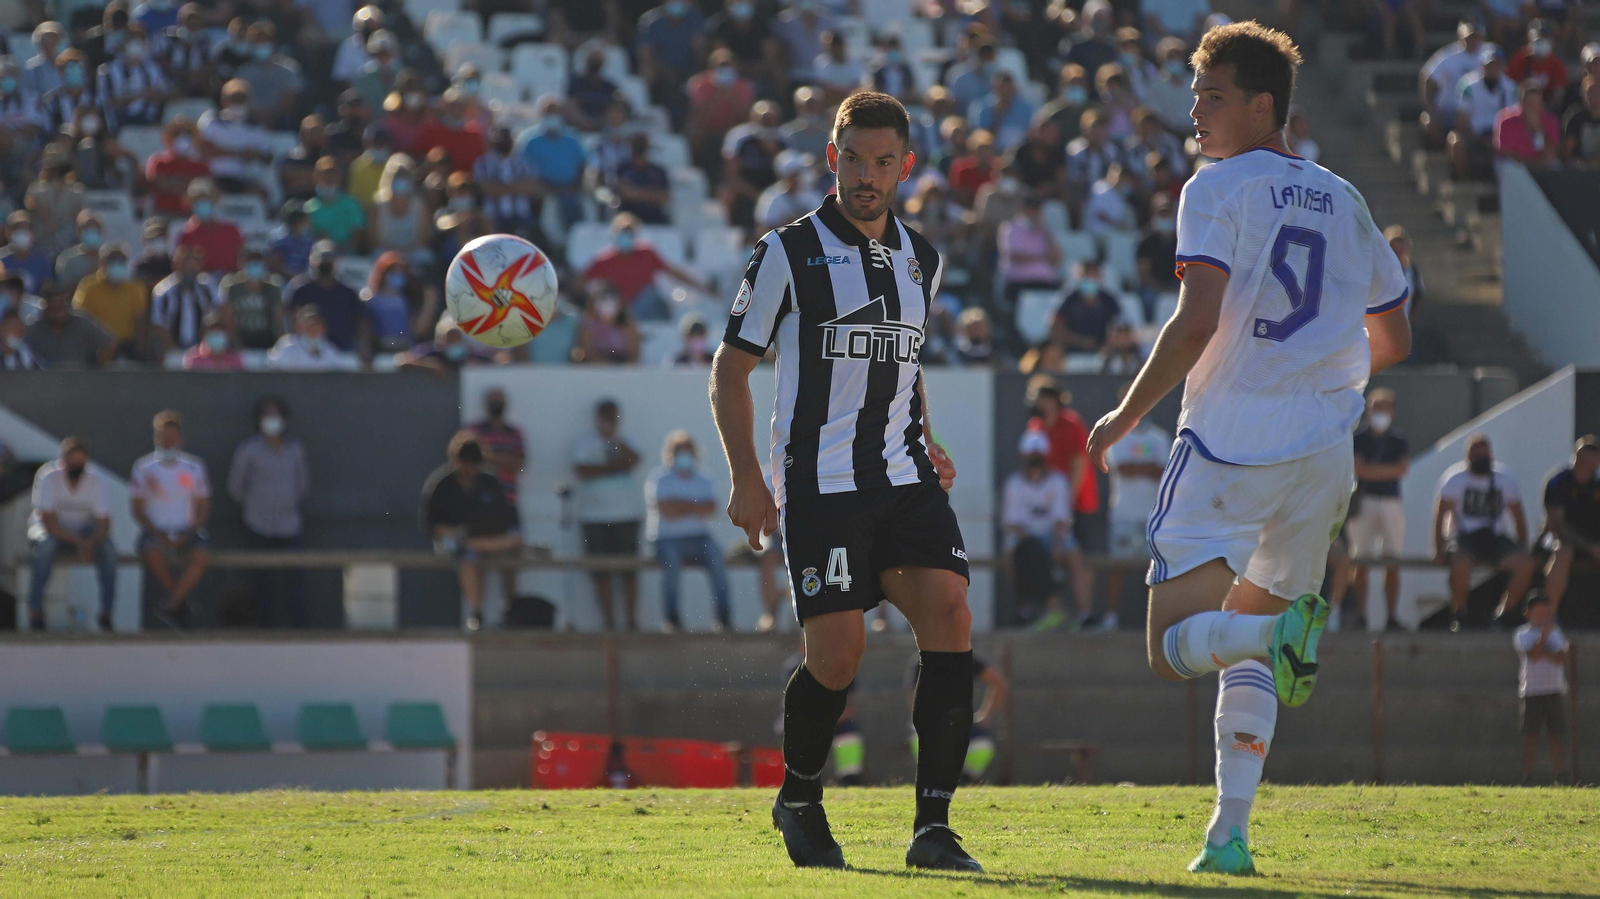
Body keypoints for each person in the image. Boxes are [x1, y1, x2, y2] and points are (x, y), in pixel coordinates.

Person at [1084, 23, 1413, 876]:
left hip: (1231, 443)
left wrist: (1124, 414)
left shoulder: (1217, 186)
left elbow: (1198, 321)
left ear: (1262, 106)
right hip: (1322, 454)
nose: (1195, 110)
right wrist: (1315, 362)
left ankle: (1271, 644)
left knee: (1174, 646)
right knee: (1248, 632)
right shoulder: (1344, 195)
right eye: (1195, 93)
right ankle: (1228, 835)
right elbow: (1398, 335)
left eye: (1213, 95)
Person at [710, 92, 981, 872]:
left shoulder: (922, 257)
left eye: (883, 161)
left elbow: (906, 361)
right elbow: (730, 371)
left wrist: (926, 433)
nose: (868, 174)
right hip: (821, 484)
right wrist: (746, 479)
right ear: (833, 157)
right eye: (854, 158)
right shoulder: (786, 252)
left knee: (953, 615)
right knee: (838, 653)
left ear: (906, 165)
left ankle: (933, 827)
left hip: (904, 475)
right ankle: (798, 796)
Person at [1434, 436, 1536, 630]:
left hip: (1494, 537)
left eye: (1484, 454)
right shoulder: (1454, 479)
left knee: (1526, 564)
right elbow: (1440, 517)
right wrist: (1438, 549)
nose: (1481, 457)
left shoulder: (1505, 478)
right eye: (1476, 454)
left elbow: (1518, 517)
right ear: (1468, 456)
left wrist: (1522, 547)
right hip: (1463, 536)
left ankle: (1504, 612)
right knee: (1461, 563)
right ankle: (1460, 612)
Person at [422, 434, 522, 631]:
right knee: (468, 559)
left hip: (486, 539)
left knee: (513, 545)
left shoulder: (489, 482)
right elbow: (432, 525)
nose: (469, 469)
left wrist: (475, 536)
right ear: (455, 460)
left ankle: (512, 611)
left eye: (474, 464)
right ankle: (476, 614)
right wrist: (460, 533)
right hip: (455, 541)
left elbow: (506, 518)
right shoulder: (442, 484)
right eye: (465, 464)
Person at [227, 397, 311, 627]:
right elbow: (235, 488)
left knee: (296, 584)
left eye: (276, 415)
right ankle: (264, 633)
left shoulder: (295, 450)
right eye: (267, 415)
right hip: (258, 524)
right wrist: (256, 504)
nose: (271, 420)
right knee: (261, 586)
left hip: (289, 525)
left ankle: (299, 633)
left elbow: (302, 485)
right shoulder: (248, 450)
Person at [131, 410, 212, 628]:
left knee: (202, 556)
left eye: (172, 436)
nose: (167, 442)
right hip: (156, 533)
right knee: (152, 553)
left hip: (187, 531)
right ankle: (178, 602)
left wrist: (190, 531)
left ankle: (170, 605)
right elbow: (137, 509)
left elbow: (203, 505)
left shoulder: (194, 467)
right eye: (163, 436)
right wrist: (159, 534)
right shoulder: (143, 467)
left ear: (180, 438)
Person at [27, 437, 117, 632]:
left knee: (109, 551)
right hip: (51, 532)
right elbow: (49, 523)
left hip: (84, 534)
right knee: (45, 547)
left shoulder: (96, 480)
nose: (76, 465)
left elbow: (103, 524)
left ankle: (107, 613)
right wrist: (81, 543)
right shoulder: (48, 476)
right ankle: (35, 610)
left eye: (80, 461)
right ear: (62, 460)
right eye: (71, 460)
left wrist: (90, 542)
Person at [646, 431, 733, 632]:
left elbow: (711, 509)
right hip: (667, 540)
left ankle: (724, 618)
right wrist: (695, 505)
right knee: (672, 568)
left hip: (700, 538)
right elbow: (667, 511)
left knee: (718, 562)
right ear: (671, 455)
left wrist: (680, 504)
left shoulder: (706, 478)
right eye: (680, 453)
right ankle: (672, 620)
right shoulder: (659, 478)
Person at [571, 399, 645, 631]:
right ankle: (609, 622)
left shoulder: (627, 440)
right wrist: (615, 467)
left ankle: (631, 621)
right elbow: (583, 471)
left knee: (629, 571)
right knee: (601, 571)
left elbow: (634, 461)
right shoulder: (584, 442)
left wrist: (614, 439)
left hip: (626, 515)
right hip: (594, 517)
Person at [1002, 430, 1087, 629]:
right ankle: (1025, 609)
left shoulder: (1058, 481)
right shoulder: (1014, 484)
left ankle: (1085, 614)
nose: (1035, 462)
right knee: (1013, 555)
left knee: (1075, 556)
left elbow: (1060, 520)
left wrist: (1056, 546)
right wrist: (1034, 545)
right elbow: (1011, 523)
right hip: (1025, 537)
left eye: (1038, 457)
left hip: (1053, 535)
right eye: (1031, 457)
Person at [1103, 381, 1170, 628]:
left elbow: (1163, 472)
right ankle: (1110, 618)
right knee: (1117, 567)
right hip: (1124, 516)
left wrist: (1142, 467)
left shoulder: (1160, 437)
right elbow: (1123, 468)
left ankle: (1151, 623)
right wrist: (1148, 467)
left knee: (1152, 572)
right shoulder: (1116, 436)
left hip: (1155, 517)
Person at [1348, 389, 1409, 631]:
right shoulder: (1358, 438)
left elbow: (1402, 469)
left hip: (1391, 503)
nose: (1379, 413)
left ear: (1392, 411)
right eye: (1375, 407)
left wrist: (1374, 470)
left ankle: (1391, 616)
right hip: (1364, 502)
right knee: (1360, 560)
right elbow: (1360, 470)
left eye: (1384, 408)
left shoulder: (1399, 439)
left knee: (1392, 560)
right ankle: (1361, 615)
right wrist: (1386, 469)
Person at [904, 653, 1010, 783]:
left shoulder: (967, 659)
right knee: (918, 735)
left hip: (963, 724)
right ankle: (932, 780)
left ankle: (966, 782)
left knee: (984, 744)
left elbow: (998, 684)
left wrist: (985, 716)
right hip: (933, 725)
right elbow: (915, 697)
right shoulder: (922, 660)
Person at [582, 214, 706, 321]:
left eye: (629, 233)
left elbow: (673, 272)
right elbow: (581, 281)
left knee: (651, 294)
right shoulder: (605, 259)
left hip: (648, 308)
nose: (625, 237)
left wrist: (702, 287)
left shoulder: (647, 253)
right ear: (615, 235)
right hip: (621, 312)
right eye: (622, 233)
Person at [1514, 591, 1570, 784]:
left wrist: (1544, 649)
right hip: (1531, 691)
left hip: (1554, 690)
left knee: (1556, 734)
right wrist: (1545, 640)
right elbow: (1534, 654)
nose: (1543, 618)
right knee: (1530, 735)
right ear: (1528, 613)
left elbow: (1562, 657)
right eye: (1538, 613)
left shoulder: (1557, 632)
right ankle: (1529, 776)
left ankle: (1560, 776)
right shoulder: (1522, 634)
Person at [1540, 436, 1600, 612]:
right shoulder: (1559, 482)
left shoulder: (1597, 484)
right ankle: (1550, 614)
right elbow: (1557, 525)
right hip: (1559, 540)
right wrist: (1590, 547)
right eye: (1586, 459)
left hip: (1593, 541)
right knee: (1563, 552)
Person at [1449, 45, 1518, 180]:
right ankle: (1464, 181)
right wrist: (1481, 140)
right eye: (1490, 65)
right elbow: (1462, 121)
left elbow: (1514, 120)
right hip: (1475, 134)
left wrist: (1498, 140)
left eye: (1497, 65)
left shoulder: (1511, 88)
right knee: (1455, 142)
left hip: (1501, 137)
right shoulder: (1468, 85)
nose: (1493, 69)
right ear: (1482, 66)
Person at [73, 244, 149, 360]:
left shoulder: (136, 288)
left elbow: (140, 319)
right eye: (113, 260)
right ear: (102, 263)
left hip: (127, 345)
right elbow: (80, 316)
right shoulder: (88, 286)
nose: (117, 264)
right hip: (97, 346)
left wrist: (140, 349)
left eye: (121, 261)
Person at [284, 241, 364, 352]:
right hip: (306, 351)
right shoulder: (300, 289)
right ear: (313, 260)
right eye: (322, 260)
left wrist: (363, 347)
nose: (325, 263)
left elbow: (360, 323)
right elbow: (290, 319)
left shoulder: (349, 293)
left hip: (342, 350)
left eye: (329, 260)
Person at [27, 285, 114, 369]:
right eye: (53, 309)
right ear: (45, 309)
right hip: (45, 378)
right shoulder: (35, 328)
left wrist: (96, 368)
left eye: (60, 308)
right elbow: (22, 348)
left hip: (79, 377)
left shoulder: (82, 323)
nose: (58, 314)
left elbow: (110, 344)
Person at [150, 245, 218, 352]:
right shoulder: (163, 291)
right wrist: (173, 350)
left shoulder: (208, 286)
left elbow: (218, 314)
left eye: (193, 266)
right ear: (176, 266)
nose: (189, 270)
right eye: (185, 266)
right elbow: (158, 324)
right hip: (173, 347)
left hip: (204, 349)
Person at [467, 388, 527, 508]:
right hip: (478, 497)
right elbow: (469, 461)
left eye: (500, 401)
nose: (497, 404)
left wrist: (487, 455)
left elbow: (518, 465)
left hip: (508, 498)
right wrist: (505, 458)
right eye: (494, 401)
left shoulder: (514, 433)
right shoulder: (473, 431)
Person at [174, 179, 244, 275]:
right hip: (201, 283)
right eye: (198, 201)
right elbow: (183, 267)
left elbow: (242, 259)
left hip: (229, 280)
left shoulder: (231, 230)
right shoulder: (186, 234)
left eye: (206, 200)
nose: (202, 204)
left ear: (214, 202)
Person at [217, 250, 283, 351]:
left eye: (258, 263)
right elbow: (228, 318)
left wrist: (278, 344)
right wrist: (236, 343)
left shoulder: (272, 289)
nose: (255, 267)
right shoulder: (233, 289)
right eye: (251, 263)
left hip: (267, 342)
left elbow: (278, 318)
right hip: (241, 341)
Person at [1052, 259, 1121, 352]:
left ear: (1100, 277)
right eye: (1087, 276)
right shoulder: (1069, 300)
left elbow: (1120, 325)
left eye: (1093, 276)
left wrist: (1106, 344)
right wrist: (1079, 341)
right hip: (1073, 352)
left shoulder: (1109, 301)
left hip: (1103, 352)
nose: (1090, 279)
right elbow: (1056, 326)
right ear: (1079, 277)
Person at [267, 306, 360, 371]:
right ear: (298, 326)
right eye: (308, 324)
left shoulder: (329, 349)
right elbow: (274, 369)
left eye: (316, 324)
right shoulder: (287, 345)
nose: (312, 328)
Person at [1495, 79, 1561, 166]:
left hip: (1542, 165)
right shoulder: (1507, 121)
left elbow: (1551, 155)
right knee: (1507, 165)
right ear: (1521, 103)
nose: (1532, 107)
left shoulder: (1551, 121)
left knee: (1556, 165)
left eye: (1536, 103)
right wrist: (1529, 163)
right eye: (1529, 103)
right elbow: (1506, 152)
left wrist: (1538, 129)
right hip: (1518, 166)